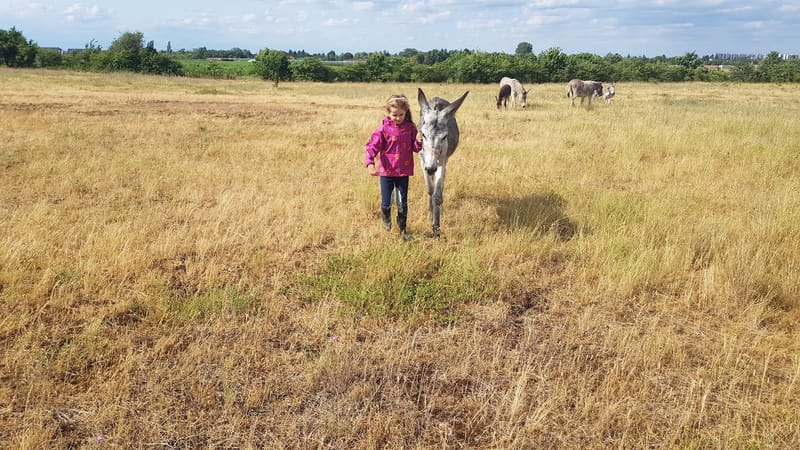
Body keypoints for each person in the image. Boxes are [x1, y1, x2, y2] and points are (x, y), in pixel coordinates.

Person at [364, 94, 423, 241]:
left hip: (403, 172)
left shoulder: (410, 128)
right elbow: (372, 146)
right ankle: (386, 220)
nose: (398, 118)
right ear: (388, 113)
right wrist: (370, 163)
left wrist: (419, 141)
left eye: (401, 114)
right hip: (386, 172)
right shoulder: (383, 129)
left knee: (402, 202)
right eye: (394, 115)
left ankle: (403, 229)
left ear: (406, 112)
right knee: (387, 202)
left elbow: (415, 148)